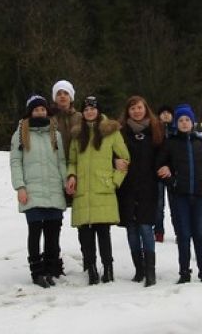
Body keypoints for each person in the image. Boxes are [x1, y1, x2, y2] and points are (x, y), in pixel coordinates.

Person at [65, 95, 130, 285]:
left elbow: (125, 159)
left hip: (103, 189)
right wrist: (71, 176)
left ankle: (108, 268)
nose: (89, 112)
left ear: (98, 110)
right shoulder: (78, 135)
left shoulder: (111, 132)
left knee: (103, 232)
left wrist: (114, 181)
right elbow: (72, 161)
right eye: (86, 109)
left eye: (93, 108)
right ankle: (91, 269)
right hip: (83, 191)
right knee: (85, 234)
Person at [157, 103, 202, 284]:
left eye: (187, 120)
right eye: (181, 120)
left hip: (199, 196)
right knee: (184, 235)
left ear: (193, 122)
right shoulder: (170, 144)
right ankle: (184, 272)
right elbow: (159, 167)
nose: (184, 123)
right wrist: (171, 180)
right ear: (176, 123)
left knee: (199, 234)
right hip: (180, 196)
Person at [9, 94, 67, 288]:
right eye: (36, 109)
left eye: (43, 109)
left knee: (53, 231)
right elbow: (16, 162)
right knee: (35, 231)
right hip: (32, 191)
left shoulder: (55, 133)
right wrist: (20, 187)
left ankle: (51, 269)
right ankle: (37, 271)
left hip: (54, 189)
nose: (40, 112)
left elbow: (61, 162)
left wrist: (66, 181)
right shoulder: (20, 133)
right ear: (30, 112)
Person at [117, 96, 165, 286]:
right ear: (127, 111)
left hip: (148, 186)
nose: (136, 111)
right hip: (127, 187)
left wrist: (164, 168)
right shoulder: (121, 132)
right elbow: (113, 153)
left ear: (146, 109)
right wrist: (115, 161)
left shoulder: (156, 129)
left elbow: (163, 154)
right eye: (132, 109)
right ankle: (139, 269)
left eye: (139, 108)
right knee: (131, 229)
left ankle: (150, 272)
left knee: (146, 228)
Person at [155, 105, 175, 243]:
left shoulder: (176, 131)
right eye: (163, 113)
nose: (166, 115)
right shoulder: (155, 131)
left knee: (175, 205)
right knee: (158, 205)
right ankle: (158, 232)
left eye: (169, 113)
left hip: (174, 173)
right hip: (158, 172)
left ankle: (179, 232)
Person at [51, 79, 82, 164]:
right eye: (59, 94)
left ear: (71, 97)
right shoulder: (50, 119)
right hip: (56, 165)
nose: (62, 96)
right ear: (55, 98)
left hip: (77, 164)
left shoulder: (80, 117)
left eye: (66, 93)